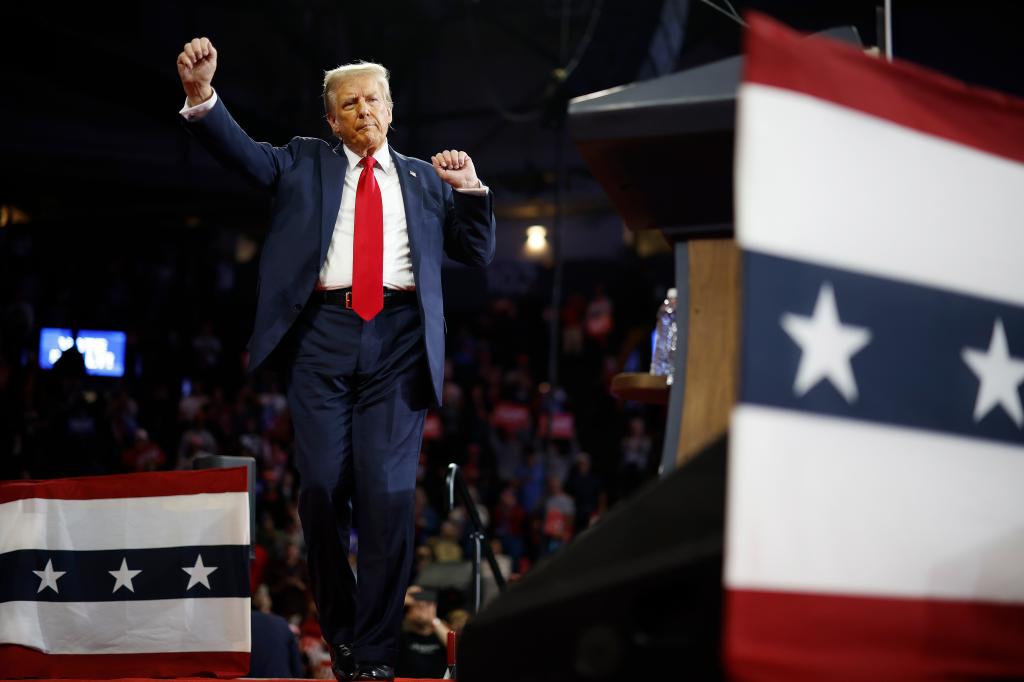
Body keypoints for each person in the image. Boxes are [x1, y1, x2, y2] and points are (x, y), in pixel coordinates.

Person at [175, 37, 495, 682]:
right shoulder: (302, 162)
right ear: (332, 119)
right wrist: (201, 97)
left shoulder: (425, 181)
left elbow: (477, 253)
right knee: (321, 491)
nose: (363, 111)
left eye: (373, 99)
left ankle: (373, 654)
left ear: (391, 108)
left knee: (386, 496)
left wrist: (471, 189)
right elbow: (242, 156)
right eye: (349, 104)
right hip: (321, 335)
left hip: (401, 339)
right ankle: (344, 634)